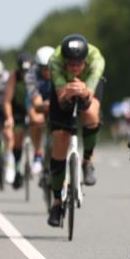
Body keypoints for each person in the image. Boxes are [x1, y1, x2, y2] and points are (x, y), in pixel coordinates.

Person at [46, 34, 105, 227]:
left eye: (78, 64)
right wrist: (68, 92)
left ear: (85, 60)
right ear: (64, 60)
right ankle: (56, 202)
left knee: (91, 114)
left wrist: (84, 90)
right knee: (59, 141)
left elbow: (91, 92)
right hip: (63, 90)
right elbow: (61, 95)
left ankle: (87, 161)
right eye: (69, 64)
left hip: (88, 87)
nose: (73, 68)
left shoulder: (96, 59)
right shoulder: (54, 61)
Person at [23, 45, 56, 176]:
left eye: (50, 67)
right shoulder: (31, 75)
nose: (47, 71)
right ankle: (38, 153)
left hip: (54, 99)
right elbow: (37, 103)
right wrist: (44, 107)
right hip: (36, 100)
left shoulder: (61, 71)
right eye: (43, 68)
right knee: (36, 120)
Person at [4, 53, 35, 188]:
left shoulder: (37, 75)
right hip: (17, 109)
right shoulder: (13, 77)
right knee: (17, 137)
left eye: (28, 71)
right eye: (23, 71)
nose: (25, 74)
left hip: (34, 108)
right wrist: (9, 118)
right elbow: (7, 100)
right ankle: (16, 167)